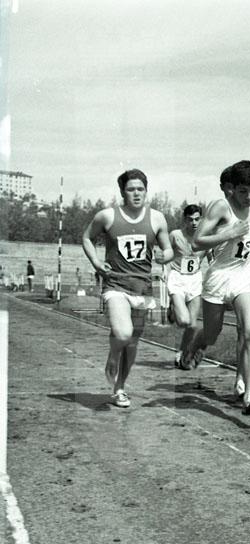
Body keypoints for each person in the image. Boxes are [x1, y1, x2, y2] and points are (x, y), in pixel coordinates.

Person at [82, 169, 174, 408]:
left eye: (140, 189)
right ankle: (113, 354)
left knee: (132, 343)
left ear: (146, 191)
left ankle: (119, 388)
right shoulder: (107, 216)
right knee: (123, 334)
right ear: (123, 192)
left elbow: (168, 249)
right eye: (131, 189)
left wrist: (164, 256)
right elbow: (87, 238)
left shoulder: (157, 218)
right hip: (116, 285)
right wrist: (96, 262)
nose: (136, 193)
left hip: (142, 288)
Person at [184, 160, 250, 415]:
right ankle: (196, 344)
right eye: (243, 191)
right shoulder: (221, 207)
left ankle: (248, 396)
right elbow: (197, 242)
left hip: (243, 276)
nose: (249, 197)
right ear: (232, 189)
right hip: (219, 278)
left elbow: (249, 238)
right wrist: (230, 233)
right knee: (212, 335)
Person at [166, 203, 208, 368]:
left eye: (197, 219)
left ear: (201, 219)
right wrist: (165, 270)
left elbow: (210, 259)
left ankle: (182, 354)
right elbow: (166, 253)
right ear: (185, 220)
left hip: (195, 280)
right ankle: (173, 308)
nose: (194, 223)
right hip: (177, 278)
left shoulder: (205, 238)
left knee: (192, 325)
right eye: (190, 219)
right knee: (183, 320)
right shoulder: (175, 235)